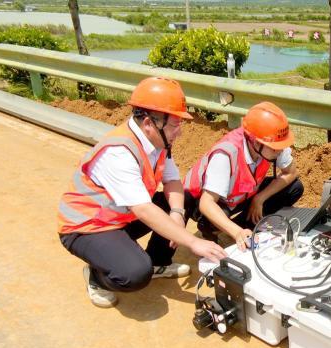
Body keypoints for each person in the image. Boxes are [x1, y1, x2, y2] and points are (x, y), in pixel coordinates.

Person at [57, 77, 227, 308]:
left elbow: (173, 181)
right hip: (88, 227)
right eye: (174, 125)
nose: (179, 132)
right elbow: (144, 209)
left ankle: (159, 260)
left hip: (120, 216)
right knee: (135, 273)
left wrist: (177, 213)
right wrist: (192, 242)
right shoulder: (119, 153)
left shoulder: (157, 142)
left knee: (184, 198)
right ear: (149, 123)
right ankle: (97, 276)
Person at [182, 102, 304, 251]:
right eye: (275, 148)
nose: (280, 151)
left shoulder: (272, 144)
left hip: (243, 193)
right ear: (255, 142)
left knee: (294, 187)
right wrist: (236, 232)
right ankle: (220, 229)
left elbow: (291, 172)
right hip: (210, 200)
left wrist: (260, 199)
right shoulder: (226, 154)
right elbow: (207, 204)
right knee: (212, 217)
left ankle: (243, 227)